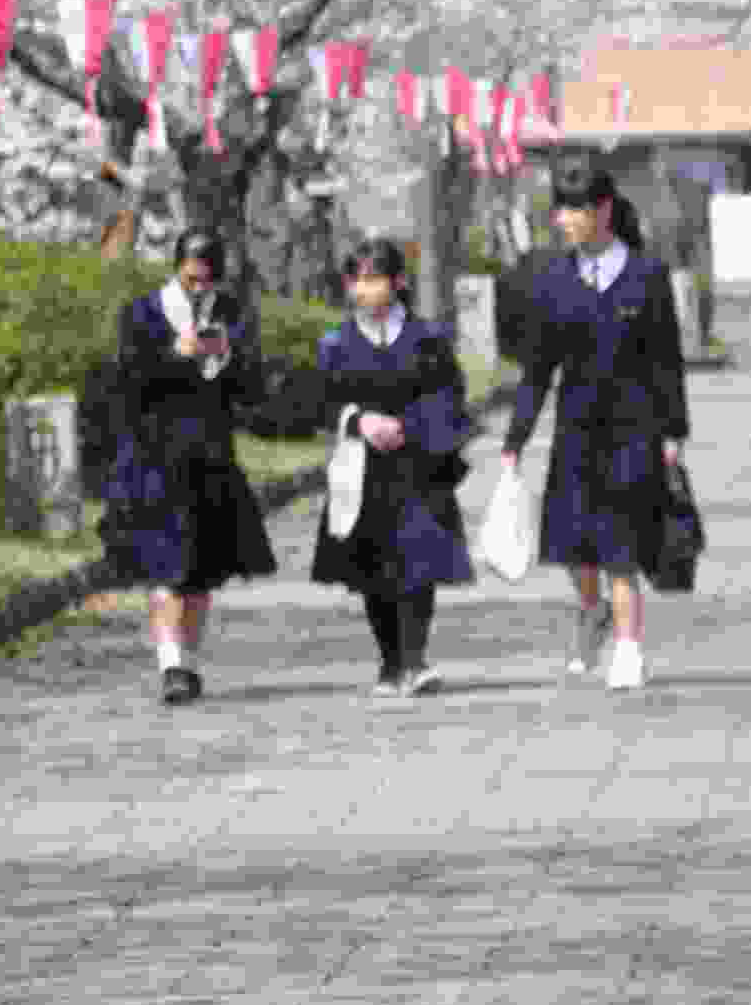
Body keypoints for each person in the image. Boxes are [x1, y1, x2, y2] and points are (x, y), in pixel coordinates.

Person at [498, 149, 690, 695]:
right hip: (576, 432)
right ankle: (592, 609)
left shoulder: (646, 277)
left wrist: (673, 432)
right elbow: (538, 369)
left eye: (575, 209)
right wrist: (515, 440)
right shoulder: (553, 280)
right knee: (576, 549)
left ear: (603, 210)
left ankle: (629, 648)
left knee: (621, 547)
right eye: (560, 210)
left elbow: (666, 361)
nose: (564, 220)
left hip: (634, 431)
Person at [292, 235, 474, 699]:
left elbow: (449, 396)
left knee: (418, 564)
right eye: (357, 279)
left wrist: (408, 425)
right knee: (373, 569)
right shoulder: (336, 343)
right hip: (361, 471)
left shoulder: (427, 339)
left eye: (374, 278)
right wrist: (359, 420)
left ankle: (416, 659)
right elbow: (320, 400)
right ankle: (390, 662)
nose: (364, 289)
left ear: (397, 282)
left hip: (419, 465)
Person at [101, 227, 277, 703]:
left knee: (201, 573)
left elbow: (255, 390)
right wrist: (173, 355)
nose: (199, 291)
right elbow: (123, 382)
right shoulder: (141, 315)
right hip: (155, 457)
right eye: (190, 280)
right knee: (166, 568)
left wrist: (227, 357)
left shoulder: (233, 316)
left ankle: (188, 662)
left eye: (208, 282)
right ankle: (170, 664)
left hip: (211, 457)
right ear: (175, 270)